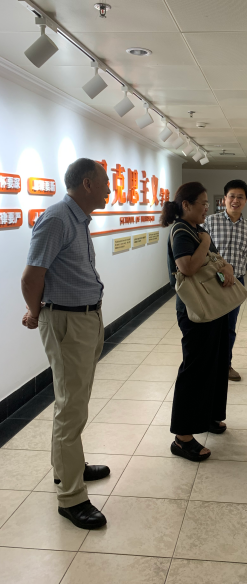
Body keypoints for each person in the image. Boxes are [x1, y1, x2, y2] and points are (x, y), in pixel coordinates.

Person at [21, 158, 111, 530]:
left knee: (76, 401)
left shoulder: (78, 220)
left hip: (85, 319)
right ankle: (71, 498)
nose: (110, 189)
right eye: (105, 183)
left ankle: (68, 466)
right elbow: (31, 277)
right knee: (70, 407)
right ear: (87, 184)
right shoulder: (58, 219)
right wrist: (35, 312)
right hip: (67, 323)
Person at [162, 182, 235, 461]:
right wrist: (205, 241)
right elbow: (188, 267)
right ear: (186, 205)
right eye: (202, 203)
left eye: (207, 203)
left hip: (212, 305)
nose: (207, 207)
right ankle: (182, 438)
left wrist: (227, 267)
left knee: (215, 363)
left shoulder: (197, 229)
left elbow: (215, 260)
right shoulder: (182, 231)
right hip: (195, 310)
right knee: (194, 368)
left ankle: (208, 416)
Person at [203, 180, 247, 382]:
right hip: (211, 282)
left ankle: (225, 365)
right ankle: (207, 364)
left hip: (236, 283)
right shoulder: (209, 222)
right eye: (232, 196)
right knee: (208, 325)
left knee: (229, 327)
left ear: (246, 201)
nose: (235, 200)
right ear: (224, 199)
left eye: (240, 197)